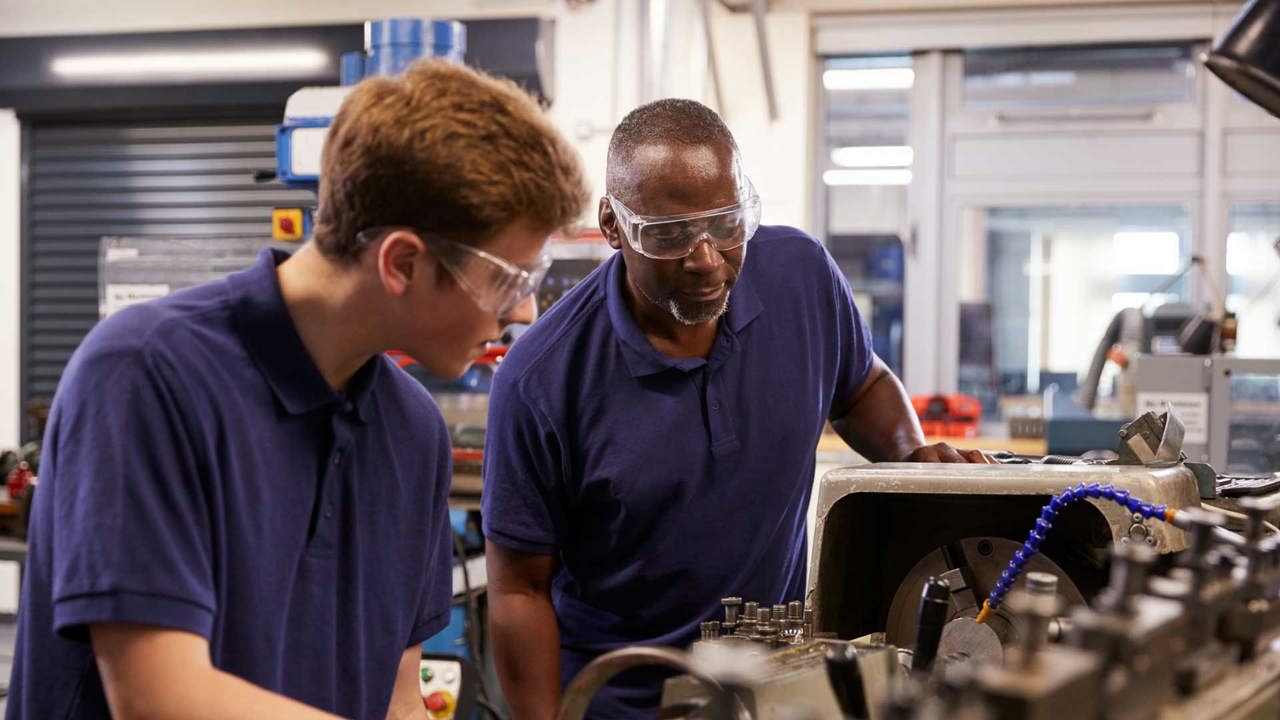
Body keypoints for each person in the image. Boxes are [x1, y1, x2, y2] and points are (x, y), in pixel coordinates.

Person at [6, 59, 587, 720]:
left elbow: (399, 696)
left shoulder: (413, 432)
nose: (524, 313)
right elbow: (158, 697)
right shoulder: (145, 374)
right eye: (510, 278)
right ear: (402, 262)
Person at [482, 99, 985, 719]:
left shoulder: (800, 276)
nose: (706, 259)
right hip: (624, 702)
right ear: (613, 226)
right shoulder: (542, 378)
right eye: (669, 235)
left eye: (726, 223)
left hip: (775, 688)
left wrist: (908, 453)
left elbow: (862, 383)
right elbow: (519, 589)